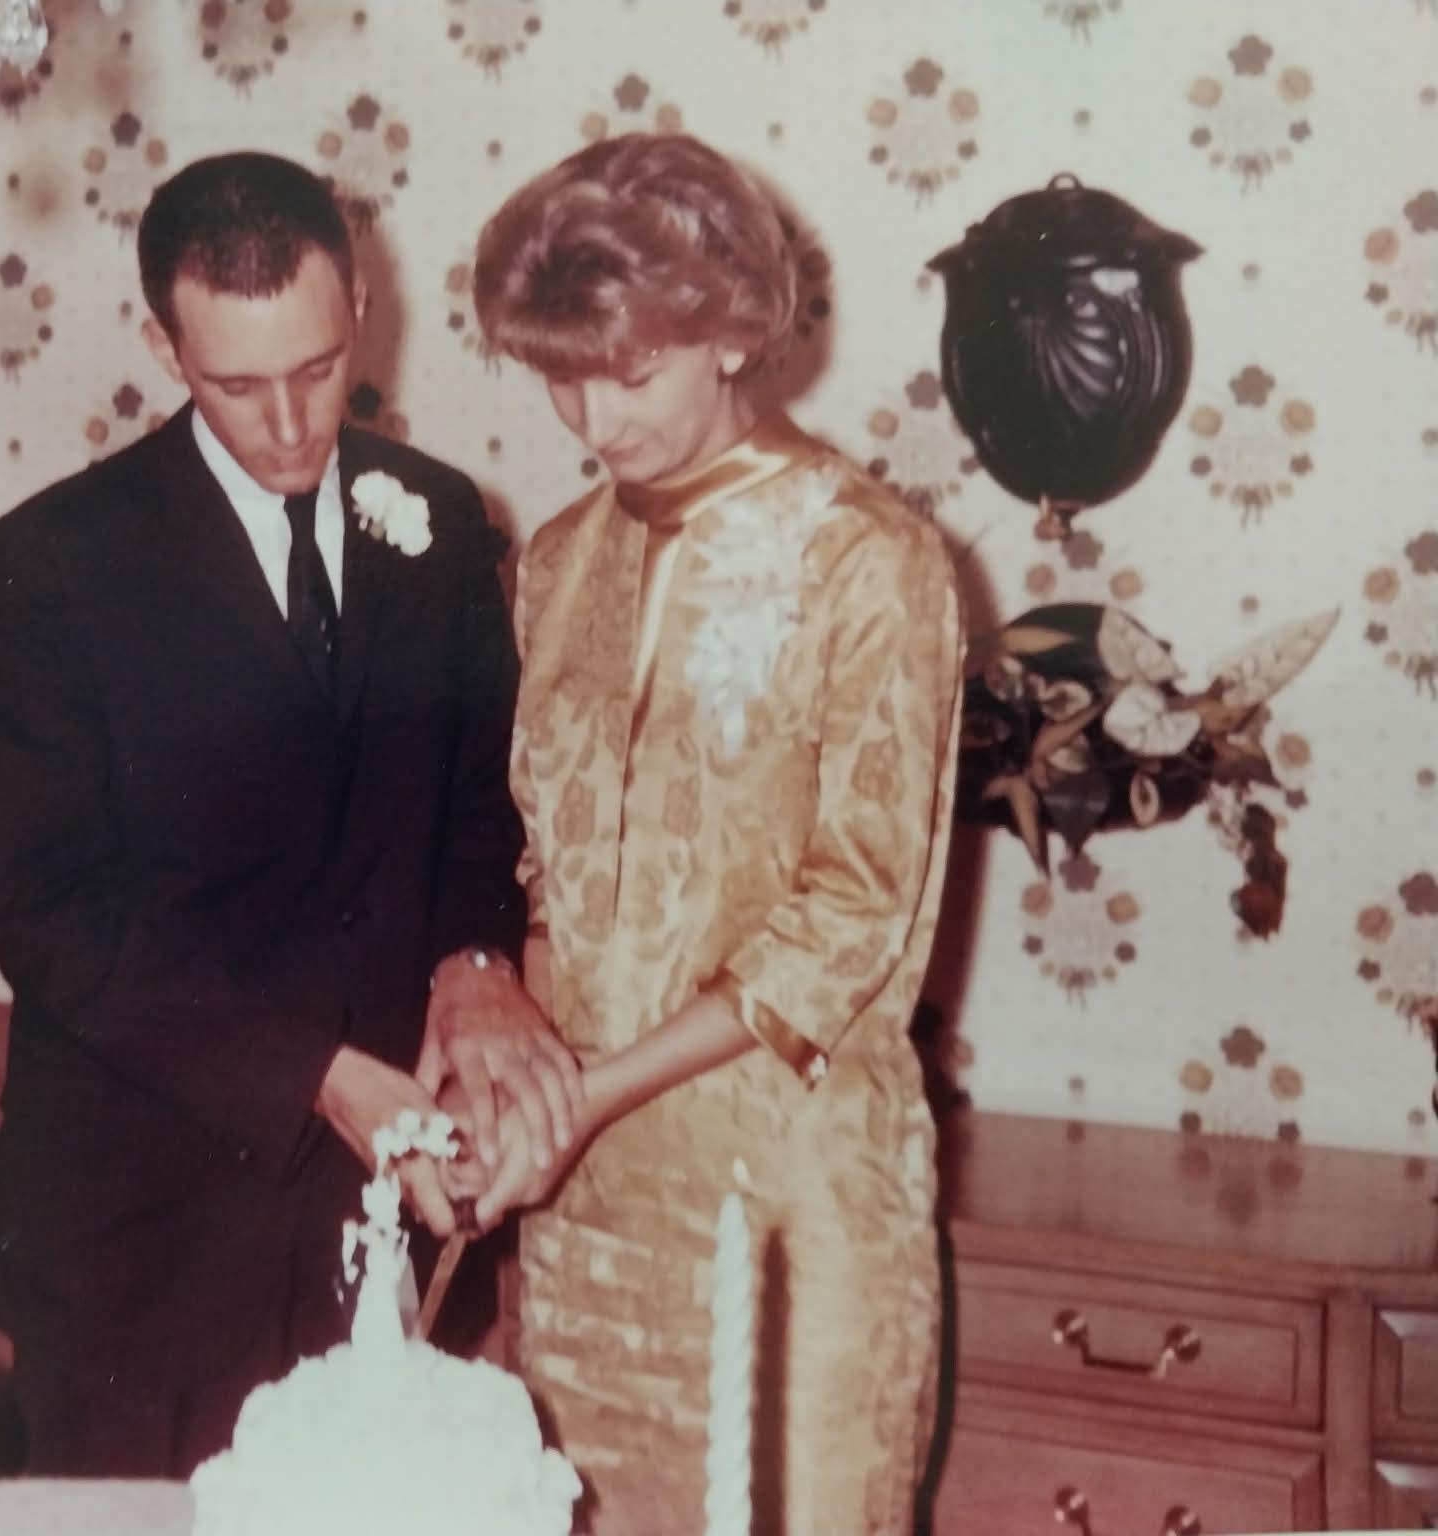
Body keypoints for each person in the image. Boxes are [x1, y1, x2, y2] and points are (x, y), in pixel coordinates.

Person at [0, 150, 582, 1480]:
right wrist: (315, 1076)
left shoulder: (439, 522)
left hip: (373, 1228)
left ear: (359, 304)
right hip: (137, 1246)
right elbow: (53, 915)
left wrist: (477, 964)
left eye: (317, 367)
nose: (292, 424)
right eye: (237, 386)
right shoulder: (54, 564)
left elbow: (479, 815)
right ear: (163, 346)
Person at [455, 132, 965, 1535]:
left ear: (732, 331)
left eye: (630, 374)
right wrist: (527, 1095)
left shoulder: (870, 561)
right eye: (561, 375)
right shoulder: (558, 563)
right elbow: (548, 874)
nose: (592, 418)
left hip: (791, 1213)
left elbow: (849, 918)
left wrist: (590, 1094)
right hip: (590, 1222)